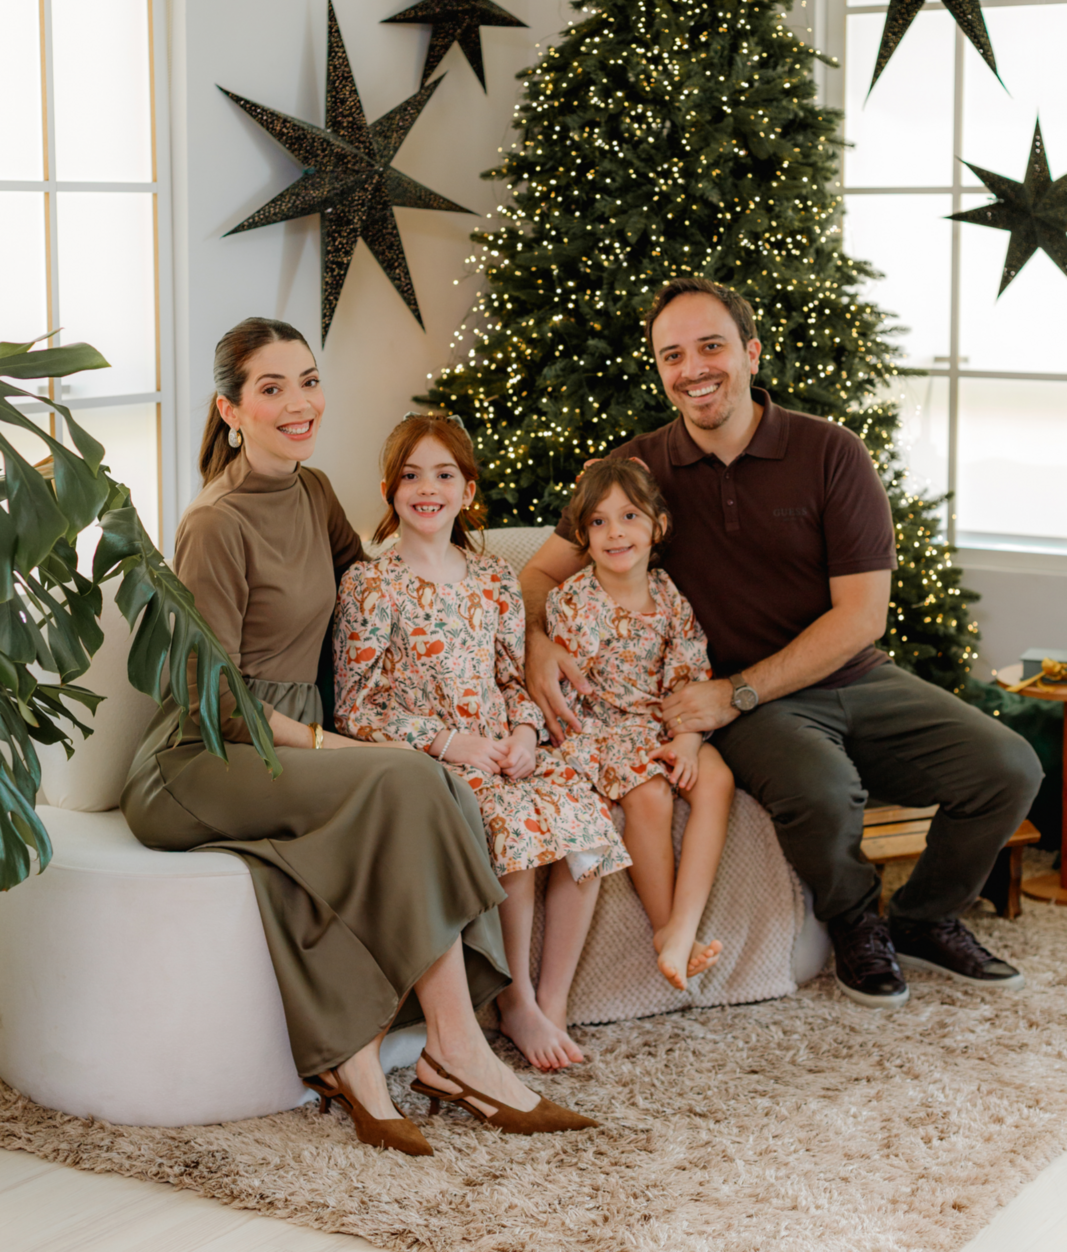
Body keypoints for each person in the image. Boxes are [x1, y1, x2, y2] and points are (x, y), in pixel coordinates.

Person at [122, 319, 593, 1154]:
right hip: (206, 756)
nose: (298, 403)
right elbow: (218, 702)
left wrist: (526, 636)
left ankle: (445, 1047)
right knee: (408, 777)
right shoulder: (216, 524)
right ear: (229, 409)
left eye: (307, 380)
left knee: (423, 783)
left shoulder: (311, 491)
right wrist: (345, 748)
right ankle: (457, 1047)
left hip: (295, 735)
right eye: (271, 388)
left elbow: (388, 584)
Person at [520, 277, 1042, 1008]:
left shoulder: (831, 453)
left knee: (1008, 765)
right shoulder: (640, 468)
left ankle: (923, 918)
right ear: (659, 371)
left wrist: (734, 693)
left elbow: (860, 617)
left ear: (751, 352)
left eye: (711, 346)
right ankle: (856, 922)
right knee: (821, 791)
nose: (693, 368)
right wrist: (539, 641)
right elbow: (540, 573)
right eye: (673, 355)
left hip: (845, 677)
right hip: (757, 709)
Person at [334, 414, 628, 1073]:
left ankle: (551, 1000)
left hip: (504, 750)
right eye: (411, 476)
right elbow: (356, 706)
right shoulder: (370, 584)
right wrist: (449, 743)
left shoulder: (494, 579)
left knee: (584, 815)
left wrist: (524, 731)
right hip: (434, 762)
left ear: (467, 491)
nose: (426, 488)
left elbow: (508, 674)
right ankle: (513, 998)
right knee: (514, 828)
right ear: (388, 490)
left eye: (443, 475)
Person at [545, 459, 735, 992]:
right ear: (582, 535)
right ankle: (664, 930)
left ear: (658, 526)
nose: (615, 532)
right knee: (650, 795)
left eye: (629, 516)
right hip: (599, 727)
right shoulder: (575, 602)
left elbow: (690, 670)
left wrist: (689, 742)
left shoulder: (668, 595)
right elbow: (565, 690)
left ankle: (684, 925)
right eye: (599, 522)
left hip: (660, 721)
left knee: (716, 779)